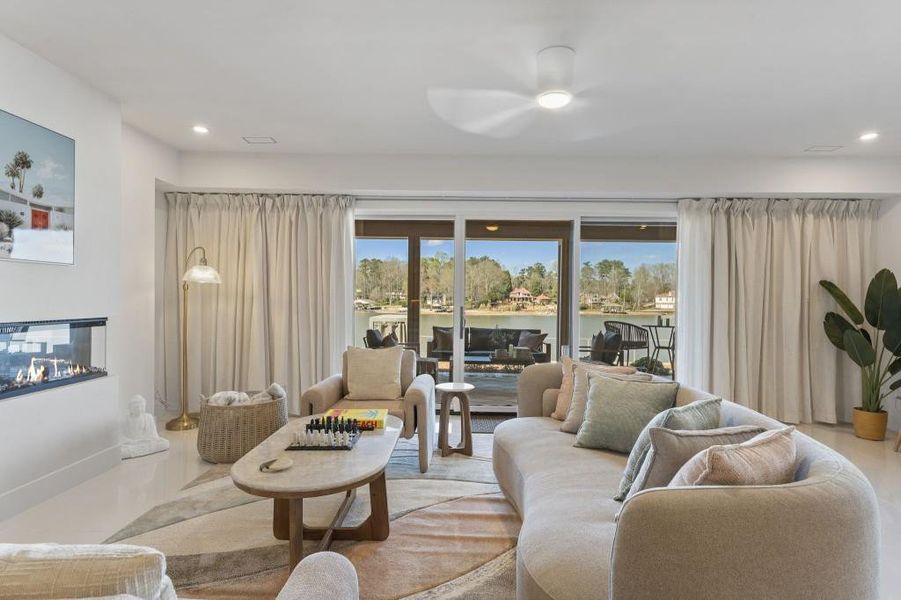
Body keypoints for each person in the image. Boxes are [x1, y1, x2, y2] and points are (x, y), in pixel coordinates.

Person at [121, 395, 170, 459]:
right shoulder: (126, 420)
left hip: (146, 442)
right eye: (136, 407)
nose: (139, 409)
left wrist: (147, 439)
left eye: (141, 406)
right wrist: (132, 441)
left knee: (165, 443)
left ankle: (137, 451)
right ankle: (135, 450)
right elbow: (121, 437)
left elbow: (154, 436)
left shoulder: (148, 417)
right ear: (131, 408)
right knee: (122, 452)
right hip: (133, 444)